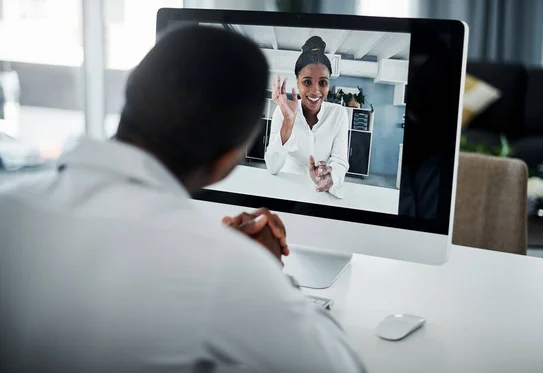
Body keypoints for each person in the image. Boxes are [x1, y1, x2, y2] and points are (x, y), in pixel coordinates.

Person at [0, 25, 365, 373]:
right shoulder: (225, 268)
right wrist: (267, 274)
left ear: (131, 84)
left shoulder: (9, 207)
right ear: (227, 162)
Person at [265, 36, 349, 198]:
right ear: (297, 82)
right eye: (307, 82)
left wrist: (330, 177)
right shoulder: (282, 111)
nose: (315, 91)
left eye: (323, 83)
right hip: (286, 191)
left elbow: (339, 161)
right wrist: (289, 121)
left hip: (321, 194)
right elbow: (272, 167)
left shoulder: (338, 114)